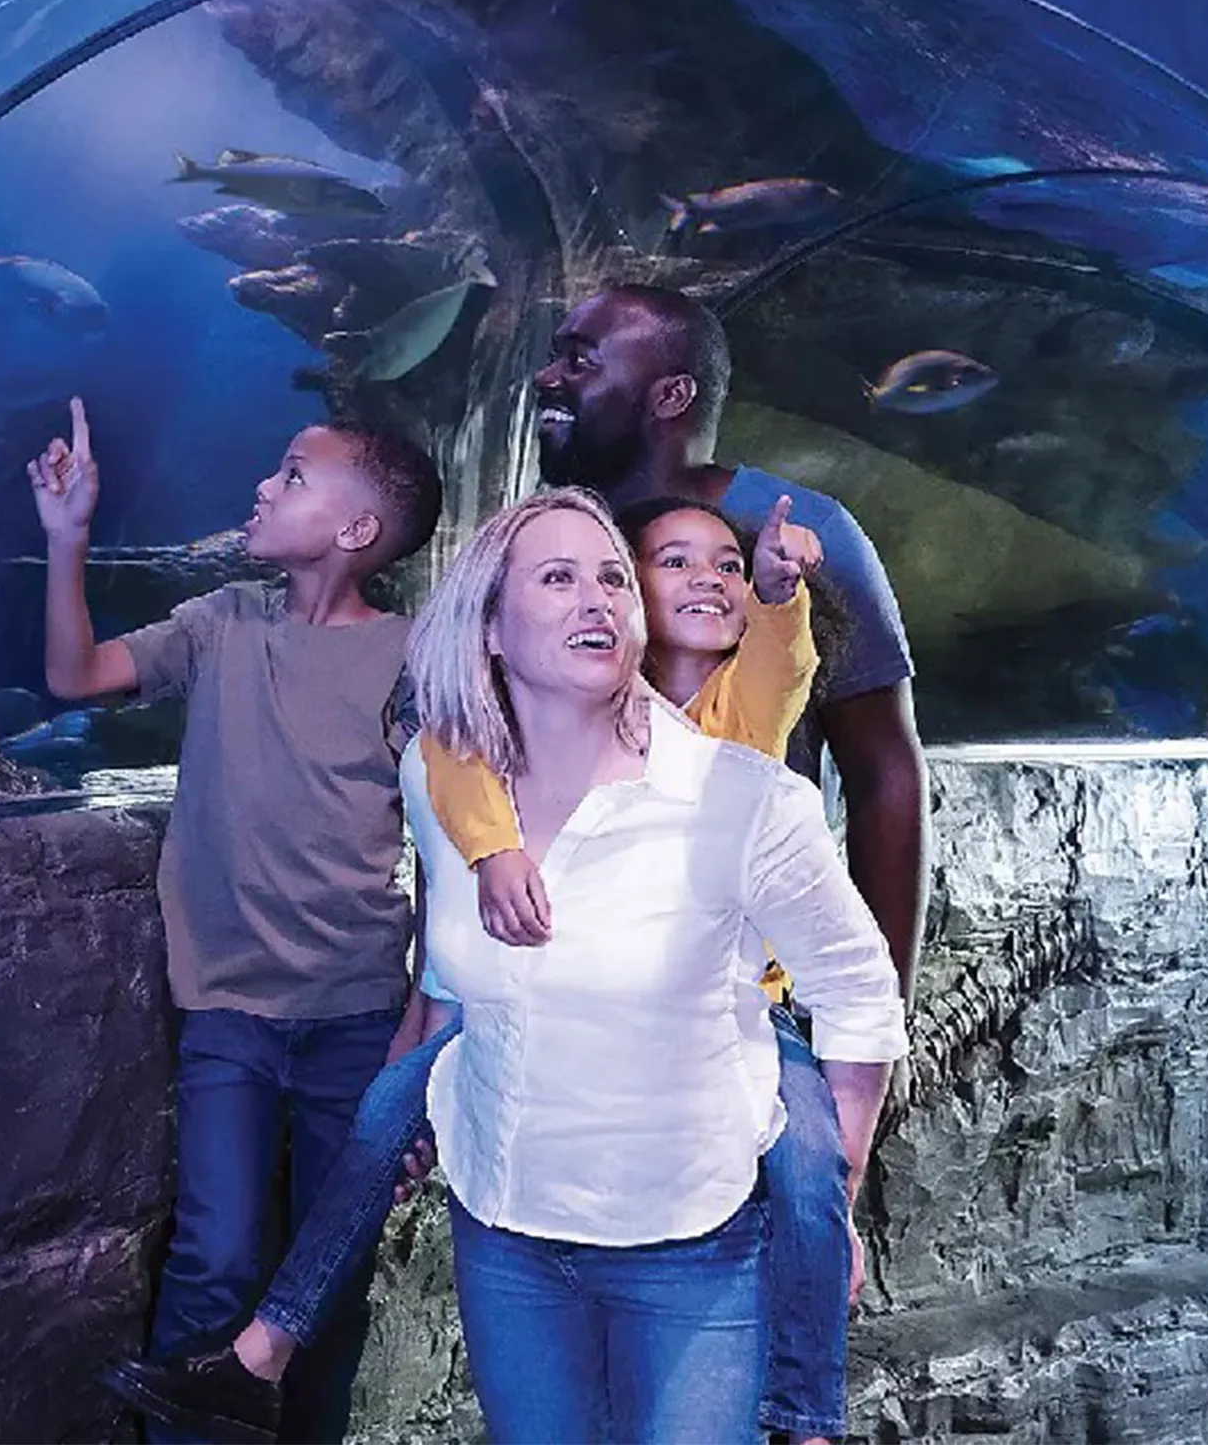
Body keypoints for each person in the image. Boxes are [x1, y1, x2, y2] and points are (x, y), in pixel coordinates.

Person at [102, 492, 836, 1444]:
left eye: (727, 567)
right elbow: (451, 751)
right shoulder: (553, 707)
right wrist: (496, 855)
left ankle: (809, 1411)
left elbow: (785, 662)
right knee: (379, 1117)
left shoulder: (745, 713)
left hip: (733, 1021)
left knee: (814, 1167)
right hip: (523, 1015)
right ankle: (261, 1354)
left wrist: (781, 590)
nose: (707, 579)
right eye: (669, 562)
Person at [408, 488, 908, 1442]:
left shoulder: (739, 797)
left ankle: (810, 1410)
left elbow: (857, 994)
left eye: (608, 579)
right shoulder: (441, 787)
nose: (596, 598)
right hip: (504, 1226)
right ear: (490, 628)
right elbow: (448, 982)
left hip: (691, 1247)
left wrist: (836, 1184)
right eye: (558, 578)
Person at [534, 281, 929, 1443]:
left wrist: (872, 1025)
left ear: (668, 394)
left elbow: (886, 772)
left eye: (578, 357)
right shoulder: (561, 539)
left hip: (751, 1000)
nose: (548, 376)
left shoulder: (792, 531)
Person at [30, 397, 442, 1445]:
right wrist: (67, 537)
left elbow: (450, 842)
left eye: (294, 475)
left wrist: (421, 1033)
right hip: (228, 1014)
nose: (265, 486)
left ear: (358, 531)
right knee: (213, 1255)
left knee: (326, 1273)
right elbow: (75, 677)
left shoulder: (412, 661)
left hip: (356, 1012)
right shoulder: (219, 626)